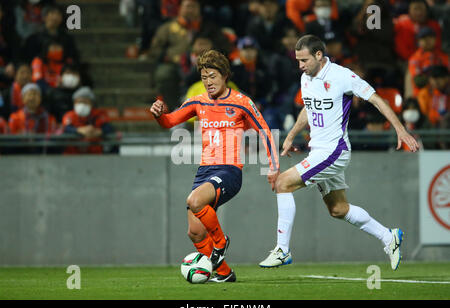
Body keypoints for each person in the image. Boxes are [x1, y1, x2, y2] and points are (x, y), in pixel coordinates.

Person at [259, 35, 419, 271]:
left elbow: (376, 99)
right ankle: (389, 237)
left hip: (334, 151)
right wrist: (291, 135)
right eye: (297, 61)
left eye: (303, 60)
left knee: (282, 183)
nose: (300, 65)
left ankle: (283, 250)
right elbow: (308, 107)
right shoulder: (306, 78)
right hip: (319, 151)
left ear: (318, 56)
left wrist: (400, 130)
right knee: (338, 209)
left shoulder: (343, 76)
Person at [149, 49, 279, 282]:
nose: (208, 82)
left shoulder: (241, 102)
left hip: (229, 170)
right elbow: (169, 121)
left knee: (194, 201)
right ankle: (224, 273)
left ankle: (220, 243)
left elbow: (265, 132)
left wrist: (273, 166)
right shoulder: (197, 101)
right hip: (204, 171)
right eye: (204, 77)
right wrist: (159, 114)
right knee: (195, 232)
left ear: (225, 75)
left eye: (212, 76)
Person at [62, 86, 115, 154]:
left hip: (95, 153)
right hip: (73, 154)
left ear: (91, 104)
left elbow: (108, 127)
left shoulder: (99, 114)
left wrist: (99, 131)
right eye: (79, 102)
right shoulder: (69, 115)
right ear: (74, 103)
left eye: (85, 102)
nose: (82, 105)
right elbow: (66, 128)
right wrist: (79, 130)